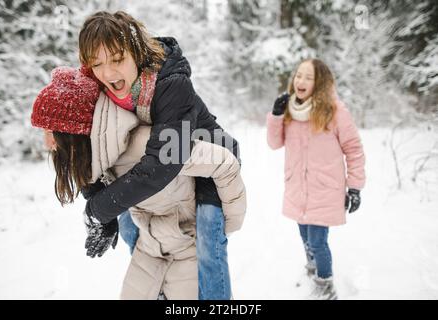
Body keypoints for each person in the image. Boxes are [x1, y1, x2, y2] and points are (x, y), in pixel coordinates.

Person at [31, 66, 246, 299]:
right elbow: (92, 179)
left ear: (72, 131)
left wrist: (223, 225)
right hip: (147, 255)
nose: (47, 144)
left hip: (189, 255)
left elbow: (224, 160)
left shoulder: (145, 145)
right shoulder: (100, 157)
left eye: (50, 133)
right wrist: (105, 213)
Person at [77, 11, 242, 299]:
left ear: (137, 51)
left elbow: (164, 164)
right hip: (168, 164)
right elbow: (70, 121)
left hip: (209, 166)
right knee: (136, 233)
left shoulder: (171, 84)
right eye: (97, 63)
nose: (107, 72)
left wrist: (97, 210)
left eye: (117, 59)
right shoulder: (103, 87)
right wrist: (52, 128)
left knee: (207, 247)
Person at [266, 58, 365, 300]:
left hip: (325, 189)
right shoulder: (289, 109)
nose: (301, 81)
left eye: (308, 77)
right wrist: (276, 115)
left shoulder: (335, 111)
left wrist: (354, 187)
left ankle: (325, 284)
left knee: (318, 241)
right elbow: (274, 143)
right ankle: (311, 268)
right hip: (297, 188)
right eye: (299, 75)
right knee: (304, 236)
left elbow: (353, 149)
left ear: (319, 83)